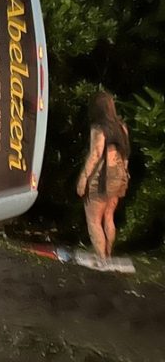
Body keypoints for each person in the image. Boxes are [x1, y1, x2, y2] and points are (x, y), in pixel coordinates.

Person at [76, 90, 130, 260]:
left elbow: (96, 154)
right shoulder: (122, 127)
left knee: (93, 219)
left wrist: (83, 179)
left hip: (102, 177)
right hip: (119, 175)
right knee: (109, 216)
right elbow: (126, 154)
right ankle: (107, 253)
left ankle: (101, 258)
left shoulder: (99, 128)